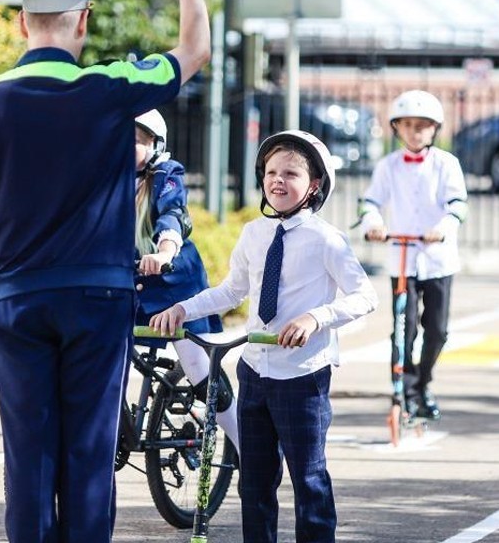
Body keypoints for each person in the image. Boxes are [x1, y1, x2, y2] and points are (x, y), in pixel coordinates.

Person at [0, 0, 210, 543]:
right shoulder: (112, 86)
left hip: (17, 298)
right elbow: (194, 51)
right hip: (99, 298)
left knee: (29, 457)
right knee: (90, 455)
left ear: (21, 23)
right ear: (83, 23)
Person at [149, 130, 377, 543]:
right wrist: (184, 308)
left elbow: (366, 296)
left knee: (308, 480)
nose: (277, 180)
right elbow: (231, 290)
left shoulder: (326, 239)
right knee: (253, 481)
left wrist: (316, 318)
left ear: (314, 186)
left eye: (291, 173)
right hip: (254, 371)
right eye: (271, 172)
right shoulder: (254, 234)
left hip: (303, 377)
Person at [356, 90, 468, 422]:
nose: (415, 131)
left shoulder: (447, 164)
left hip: (437, 258)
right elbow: (371, 203)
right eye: (407, 125)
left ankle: (423, 383)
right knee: (403, 328)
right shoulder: (388, 166)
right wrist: (373, 224)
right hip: (402, 257)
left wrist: (443, 226)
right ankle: (403, 389)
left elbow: (457, 205)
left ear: (434, 129)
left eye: (422, 125)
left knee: (437, 330)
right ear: (396, 128)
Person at [132, 109, 239, 453]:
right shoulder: (102, 180)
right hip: (125, 285)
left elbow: (173, 216)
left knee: (200, 371)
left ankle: (247, 449)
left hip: (174, 283)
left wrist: (164, 253)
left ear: (155, 144)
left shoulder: (167, 175)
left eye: (134, 139)